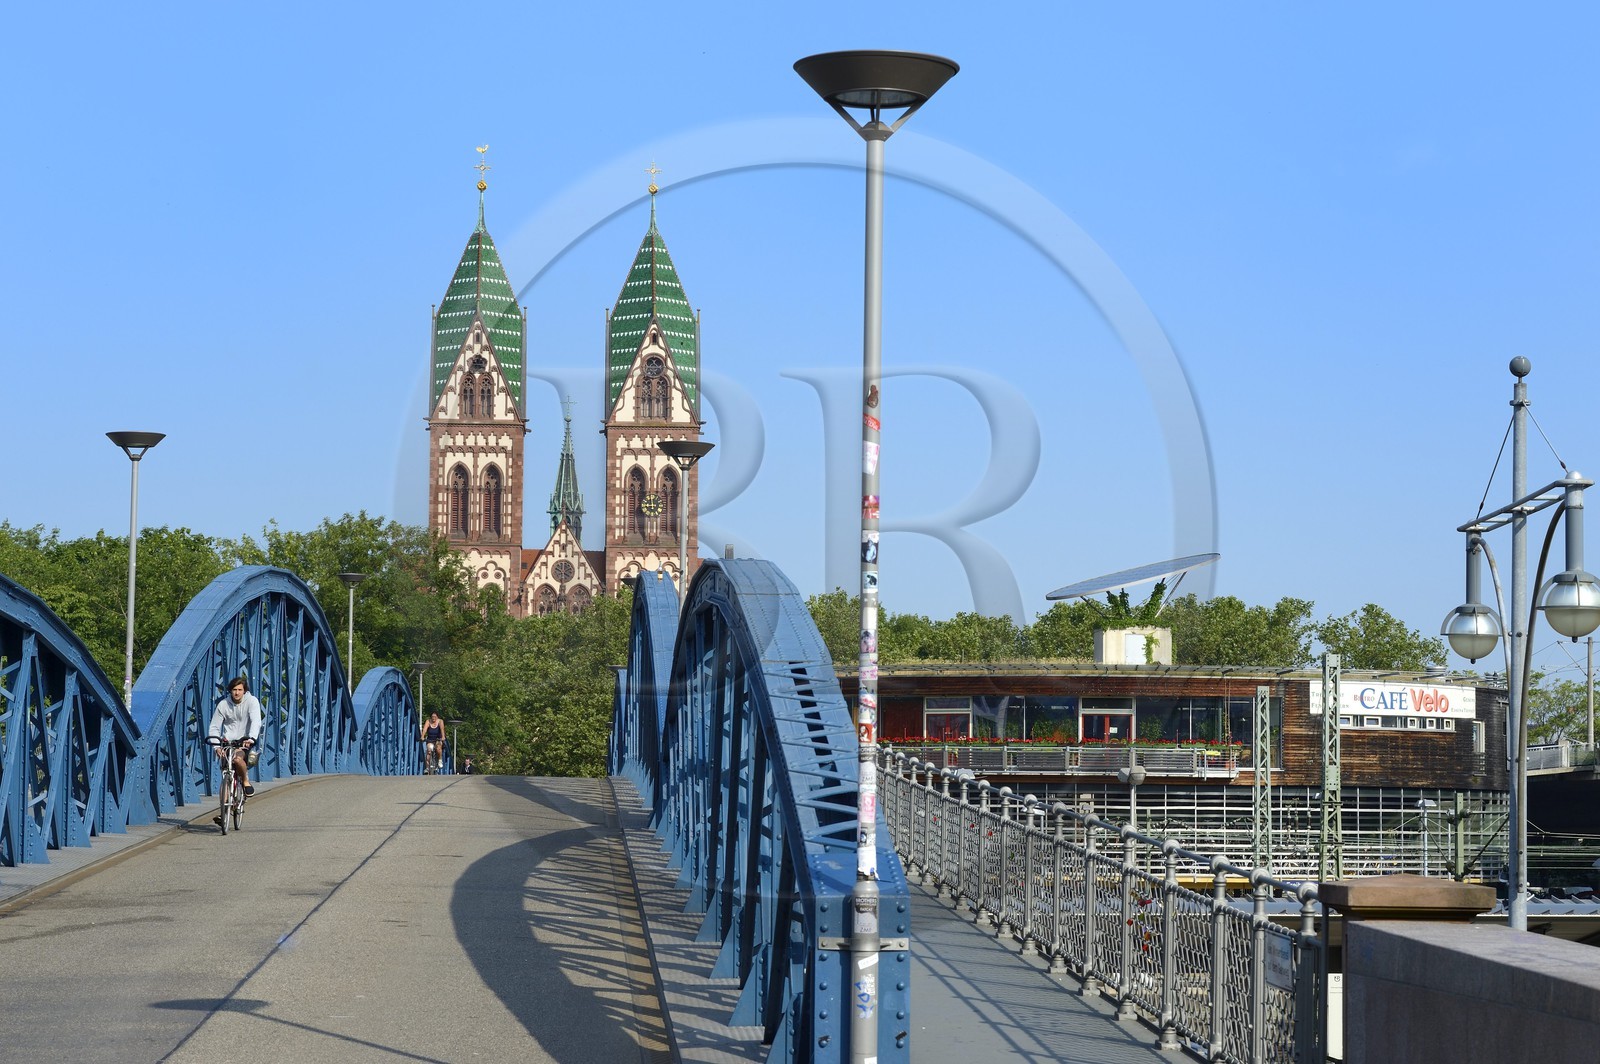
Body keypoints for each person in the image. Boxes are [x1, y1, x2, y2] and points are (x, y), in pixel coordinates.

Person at [208, 676, 262, 826]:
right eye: (234, 690)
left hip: (244, 741)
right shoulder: (223, 705)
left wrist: (251, 738)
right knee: (226, 774)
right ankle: (223, 811)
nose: (237, 693)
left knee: (238, 759)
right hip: (228, 742)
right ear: (230, 691)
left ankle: (245, 781)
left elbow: (256, 721)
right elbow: (214, 726)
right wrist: (216, 746)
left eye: (239, 690)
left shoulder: (252, 701)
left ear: (245, 691)